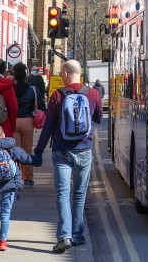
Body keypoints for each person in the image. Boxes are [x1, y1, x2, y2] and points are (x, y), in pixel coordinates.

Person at [33, 59, 102, 253]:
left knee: (62, 194)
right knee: (79, 194)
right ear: (80, 73)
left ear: (64, 74)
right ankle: (78, 235)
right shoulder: (93, 93)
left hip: (61, 150)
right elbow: (97, 118)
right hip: (84, 151)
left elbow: (47, 127)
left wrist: (38, 151)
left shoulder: (57, 96)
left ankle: (65, 236)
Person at [0, 126, 35, 251]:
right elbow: (26, 159)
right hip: (9, 187)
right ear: (3, 136)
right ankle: (3, 241)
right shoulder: (13, 150)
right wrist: (37, 160)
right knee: (5, 214)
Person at [12, 63, 46, 187]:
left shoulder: (11, 89)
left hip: (14, 121)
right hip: (28, 121)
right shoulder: (32, 90)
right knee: (27, 150)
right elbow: (42, 106)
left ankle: (14, 176)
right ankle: (28, 179)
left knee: (14, 150)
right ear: (25, 76)